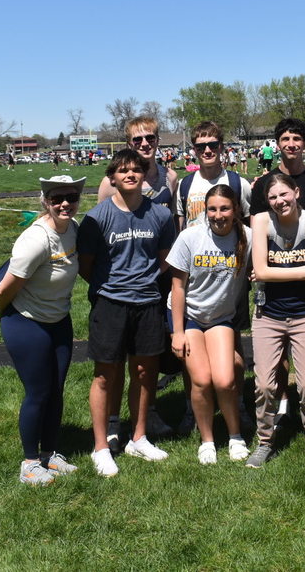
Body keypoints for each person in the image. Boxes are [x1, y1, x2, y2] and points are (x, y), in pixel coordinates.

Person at [78, 149, 176, 477]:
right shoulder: (97, 218)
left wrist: (142, 282)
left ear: (143, 174)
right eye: (123, 171)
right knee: (106, 374)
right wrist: (113, 286)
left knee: (145, 373)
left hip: (147, 303)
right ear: (113, 177)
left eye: (136, 169)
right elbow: (86, 266)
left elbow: (165, 260)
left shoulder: (160, 216)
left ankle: (138, 437)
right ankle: (101, 446)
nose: (130, 175)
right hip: (110, 303)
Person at [0, 175, 86, 485]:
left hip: (59, 320)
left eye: (71, 197)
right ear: (46, 201)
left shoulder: (73, 230)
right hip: (26, 322)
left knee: (56, 389)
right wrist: (2, 312)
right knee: (38, 392)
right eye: (57, 198)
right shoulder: (35, 240)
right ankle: (30, 463)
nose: (65, 204)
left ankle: (50, 454)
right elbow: (5, 289)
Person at [97, 117, 180, 444]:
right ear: (128, 143)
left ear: (158, 140)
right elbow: (99, 233)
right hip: (119, 282)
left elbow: (172, 227)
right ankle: (115, 421)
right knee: (116, 357)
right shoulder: (111, 181)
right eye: (137, 140)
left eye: (150, 138)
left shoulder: (169, 177)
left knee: (148, 354)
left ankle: (150, 415)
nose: (144, 144)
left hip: (157, 278)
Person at [175, 121, 253, 435]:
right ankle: (192, 409)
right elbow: (179, 225)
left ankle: (240, 404)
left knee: (234, 347)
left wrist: (246, 270)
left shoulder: (238, 182)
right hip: (195, 274)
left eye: (213, 145)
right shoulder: (184, 185)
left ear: (222, 147)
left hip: (229, 278)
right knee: (191, 356)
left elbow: (249, 228)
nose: (207, 150)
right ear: (193, 149)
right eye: (201, 146)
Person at [167, 184, 252, 464]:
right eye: (212, 209)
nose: (218, 215)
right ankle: (207, 440)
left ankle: (235, 436)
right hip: (189, 316)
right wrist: (177, 333)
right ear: (205, 211)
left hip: (221, 318)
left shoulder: (248, 238)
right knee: (202, 380)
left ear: (236, 209)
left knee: (226, 380)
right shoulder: (190, 238)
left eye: (224, 208)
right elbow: (178, 287)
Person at [247, 173, 305, 468]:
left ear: (296, 192)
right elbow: (261, 272)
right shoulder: (261, 221)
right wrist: (300, 271)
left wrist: (270, 270)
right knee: (265, 386)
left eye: (284, 194)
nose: (280, 201)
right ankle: (265, 442)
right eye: (272, 197)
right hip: (268, 315)